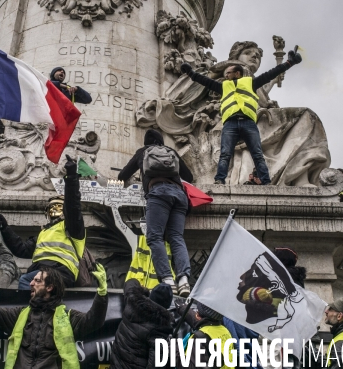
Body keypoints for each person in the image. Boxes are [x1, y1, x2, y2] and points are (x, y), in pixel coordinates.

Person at [180, 49, 302, 185]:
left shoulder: (250, 83)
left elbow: (271, 74)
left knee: (257, 154)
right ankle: (219, 180)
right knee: (225, 154)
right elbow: (205, 81)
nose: (226, 75)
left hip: (248, 122)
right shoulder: (223, 86)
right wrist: (191, 73)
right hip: (230, 123)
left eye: (228, 73)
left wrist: (289, 62)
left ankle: (266, 181)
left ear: (237, 73)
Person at [0, 262, 108, 369]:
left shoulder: (67, 318)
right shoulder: (20, 315)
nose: (30, 284)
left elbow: (94, 321)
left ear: (49, 287)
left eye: (37, 281)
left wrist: (102, 293)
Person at [118, 129, 194, 296]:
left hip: (159, 193)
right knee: (176, 237)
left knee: (154, 236)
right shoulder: (171, 152)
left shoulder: (143, 152)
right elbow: (189, 176)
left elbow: (122, 175)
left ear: (146, 142)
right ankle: (184, 280)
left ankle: (167, 279)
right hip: (180, 197)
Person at [14, 155, 86, 290]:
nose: (54, 210)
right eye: (51, 207)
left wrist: (71, 178)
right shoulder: (44, 232)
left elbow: (73, 206)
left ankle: (33, 309)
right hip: (42, 270)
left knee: (25, 280)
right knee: (27, 278)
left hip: (61, 271)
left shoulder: (72, 226)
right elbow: (21, 249)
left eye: (58, 207)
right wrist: (4, 227)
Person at [110, 280, 173, 369]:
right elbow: (156, 364)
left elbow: (130, 283)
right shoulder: (160, 328)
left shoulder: (132, 303)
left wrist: (141, 288)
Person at [177, 302, 235, 369]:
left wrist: (174, 350)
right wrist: (183, 308)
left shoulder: (199, 338)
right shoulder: (225, 331)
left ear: (197, 315)